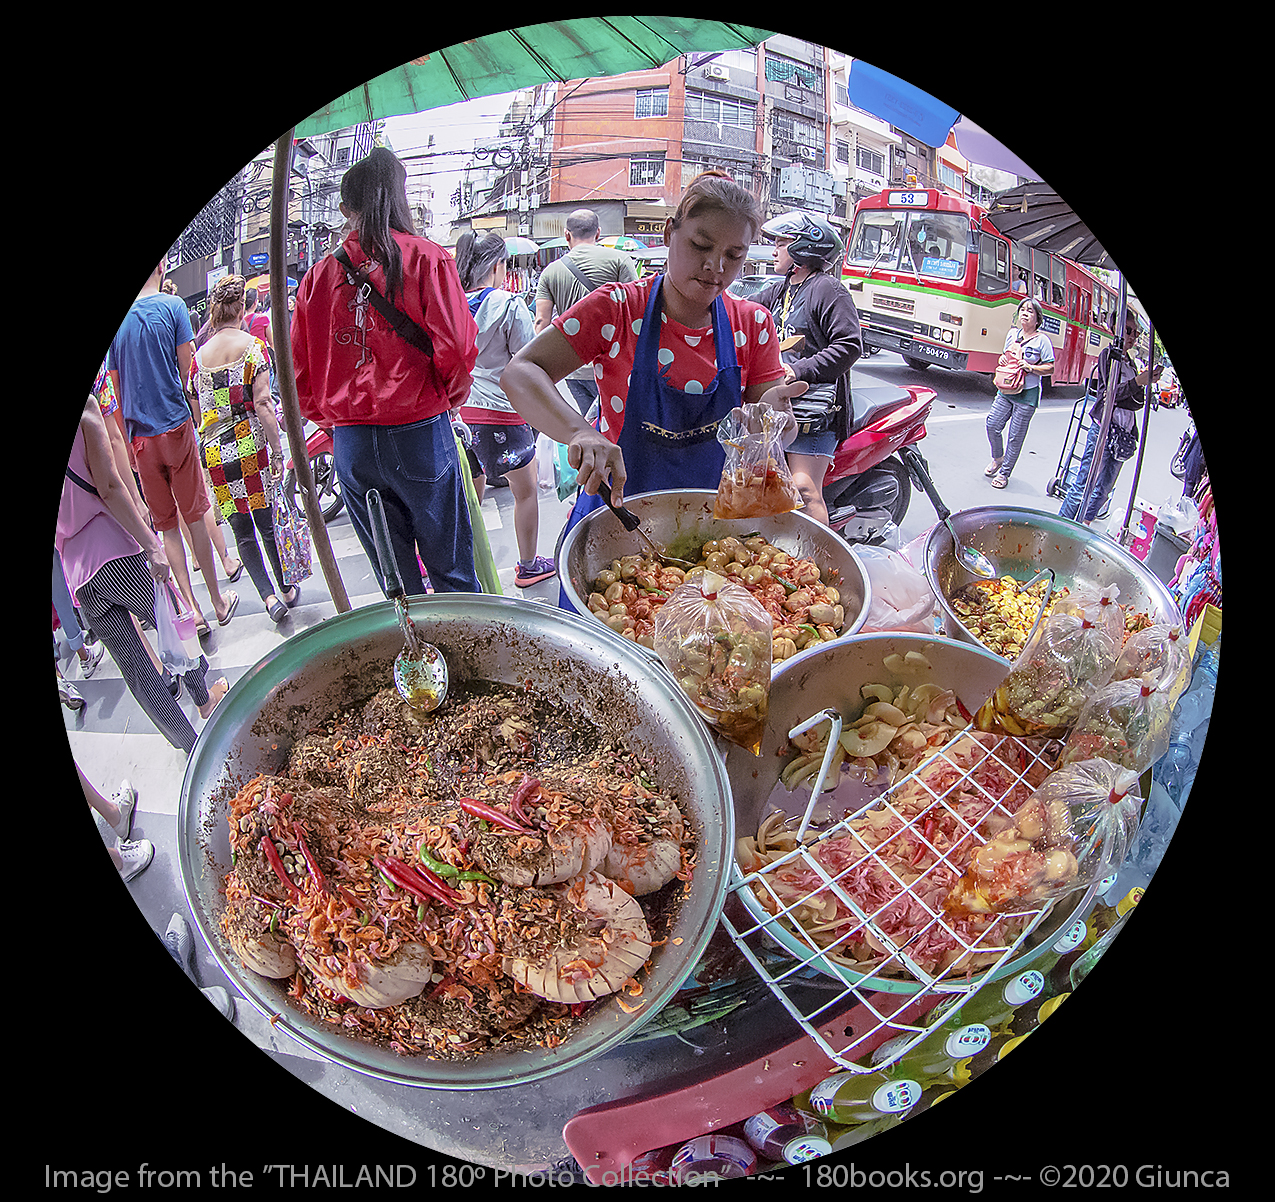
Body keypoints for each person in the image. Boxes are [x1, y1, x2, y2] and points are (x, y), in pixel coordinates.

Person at [500, 170, 806, 606]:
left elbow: (769, 432)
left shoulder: (752, 325)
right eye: (701, 246)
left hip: (717, 543)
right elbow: (521, 372)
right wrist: (580, 432)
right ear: (670, 233)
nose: (715, 268)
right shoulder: (617, 309)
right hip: (618, 526)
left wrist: (775, 423)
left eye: (734, 255)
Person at [291, 146, 482, 596]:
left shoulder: (317, 278)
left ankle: (418, 663)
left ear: (345, 210)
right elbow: (457, 347)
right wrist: (445, 399)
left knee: (396, 589)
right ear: (399, 198)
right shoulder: (426, 258)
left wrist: (335, 419)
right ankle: (468, 661)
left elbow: (299, 374)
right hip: (418, 432)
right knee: (452, 574)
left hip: (352, 446)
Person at [57, 395, 227, 754]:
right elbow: (110, 486)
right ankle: (204, 701)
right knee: (174, 623)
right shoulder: (86, 407)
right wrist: (151, 545)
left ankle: (186, 741)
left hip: (78, 572)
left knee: (136, 668)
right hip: (115, 549)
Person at [108, 259, 239, 633]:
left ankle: (192, 610)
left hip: (139, 438)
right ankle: (217, 601)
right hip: (175, 424)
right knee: (195, 515)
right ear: (163, 267)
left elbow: (115, 390)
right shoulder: (174, 307)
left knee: (167, 527)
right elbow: (186, 370)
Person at [188, 274, 299, 622]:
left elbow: (197, 412)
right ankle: (285, 587)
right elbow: (264, 403)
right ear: (241, 308)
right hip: (250, 445)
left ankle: (268, 599)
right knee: (266, 523)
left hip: (216, 455)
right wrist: (278, 449)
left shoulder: (199, 357)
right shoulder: (252, 347)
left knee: (241, 531)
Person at [454, 231, 556, 587]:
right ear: (498, 266)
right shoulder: (509, 305)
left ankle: (462, 565)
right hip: (502, 412)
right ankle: (529, 565)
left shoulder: (451, 303)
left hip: (460, 413)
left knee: (469, 495)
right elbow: (528, 359)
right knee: (525, 491)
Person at [753, 211, 863, 526]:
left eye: (782, 243)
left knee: (804, 490)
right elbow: (743, 311)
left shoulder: (828, 289)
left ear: (804, 250)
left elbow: (849, 345)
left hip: (815, 413)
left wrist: (798, 370)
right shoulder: (780, 290)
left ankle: (815, 566)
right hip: (779, 409)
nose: (774, 249)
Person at [1059, 308, 1161, 524]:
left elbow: (1136, 402)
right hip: (1104, 430)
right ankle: (1059, 525)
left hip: (1123, 434)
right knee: (1083, 485)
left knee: (1104, 489)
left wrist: (1140, 383)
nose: (1133, 337)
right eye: (1129, 331)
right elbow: (1109, 394)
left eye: (1135, 333)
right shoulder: (1109, 356)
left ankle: (1084, 524)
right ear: (1116, 329)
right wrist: (1136, 383)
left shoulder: (1131, 363)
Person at [534, 208, 639, 415]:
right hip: (613, 363)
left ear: (567, 235)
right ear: (598, 233)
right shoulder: (620, 260)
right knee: (612, 423)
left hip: (573, 366)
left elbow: (541, 323)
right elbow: (637, 311)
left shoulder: (550, 271)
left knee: (588, 423)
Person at [984, 297, 1055, 489]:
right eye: (1022, 310)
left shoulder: (1043, 341)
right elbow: (1005, 356)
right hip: (1006, 389)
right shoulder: (1012, 334)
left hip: (1027, 395)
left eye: (1030, 311)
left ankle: (1005, 473)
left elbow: (1050, 368)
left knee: (1015, 437)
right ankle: (998, 458)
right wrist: (1002, 360)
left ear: (1038, 318)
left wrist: (1031, 367)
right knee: (992, 423)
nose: (1025, 313)